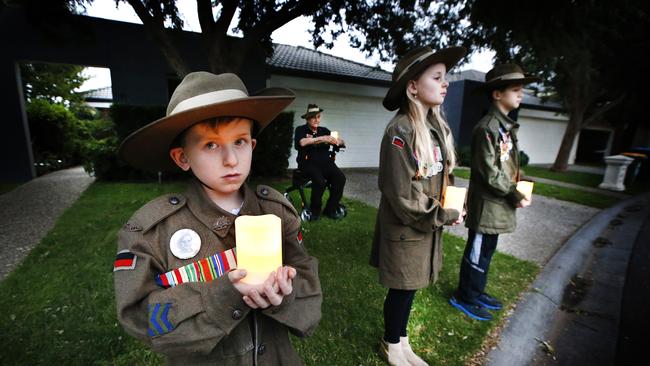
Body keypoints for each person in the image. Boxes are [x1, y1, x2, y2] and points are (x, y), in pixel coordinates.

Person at [114, 72, 322, 365]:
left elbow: (308, 281)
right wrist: (224, 295)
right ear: (182, 157)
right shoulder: (152, 231)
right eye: (211, 145)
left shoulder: (276, 211)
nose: (231, 159)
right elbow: (140, 318)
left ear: (252, 145)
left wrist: (286, 295)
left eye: (239, 141)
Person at [370, 46, 467, 366]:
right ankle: (390, 343)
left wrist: (452, 203)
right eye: (437, 77)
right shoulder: (400, 131)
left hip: (425, 224)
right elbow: (401, 195)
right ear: (413, 87)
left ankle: (402, 340)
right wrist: (442, 214)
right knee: (402, 288)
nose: (446, 83)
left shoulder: (433, 129)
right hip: (406, 228)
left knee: (410, 288)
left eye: (446, 77)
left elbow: (438, 177)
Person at [449, 64, 539, 321]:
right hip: (487, 204)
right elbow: (489, 172)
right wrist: (514, 193)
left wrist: (519, 186)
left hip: (497, 204)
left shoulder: (504, 127)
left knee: (487, 250)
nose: (521, 94)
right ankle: (465, 296)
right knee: (477, 251)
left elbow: (506, 165)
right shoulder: (488, 128)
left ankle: (476, 292)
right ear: (497, 94)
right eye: (516, 89)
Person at [293, 104, 346, 221]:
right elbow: (302, 143)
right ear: (307, 119)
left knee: (340, 179)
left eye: (318, 117)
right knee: (320, 182)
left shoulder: (324, 130)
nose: (316, 120)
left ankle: (330, 209)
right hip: (308, 163)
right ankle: (314, 211)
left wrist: (338, 141)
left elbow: (340, 140)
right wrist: (322, 139)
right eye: (313, 117)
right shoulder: (301, 130)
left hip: (326, 162)